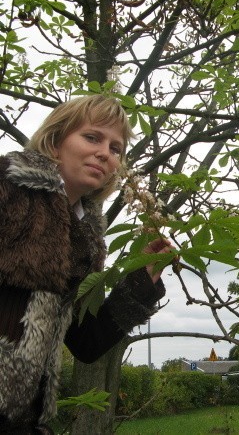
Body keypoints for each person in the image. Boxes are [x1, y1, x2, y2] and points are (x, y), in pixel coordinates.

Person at [0, 95, 174, 434]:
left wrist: (143, 282)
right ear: (56, 140)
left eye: (116, 148)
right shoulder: (9, 185)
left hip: (24, 421)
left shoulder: (88, 235)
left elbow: (86, 341)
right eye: (92, 137)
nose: (105, 152)